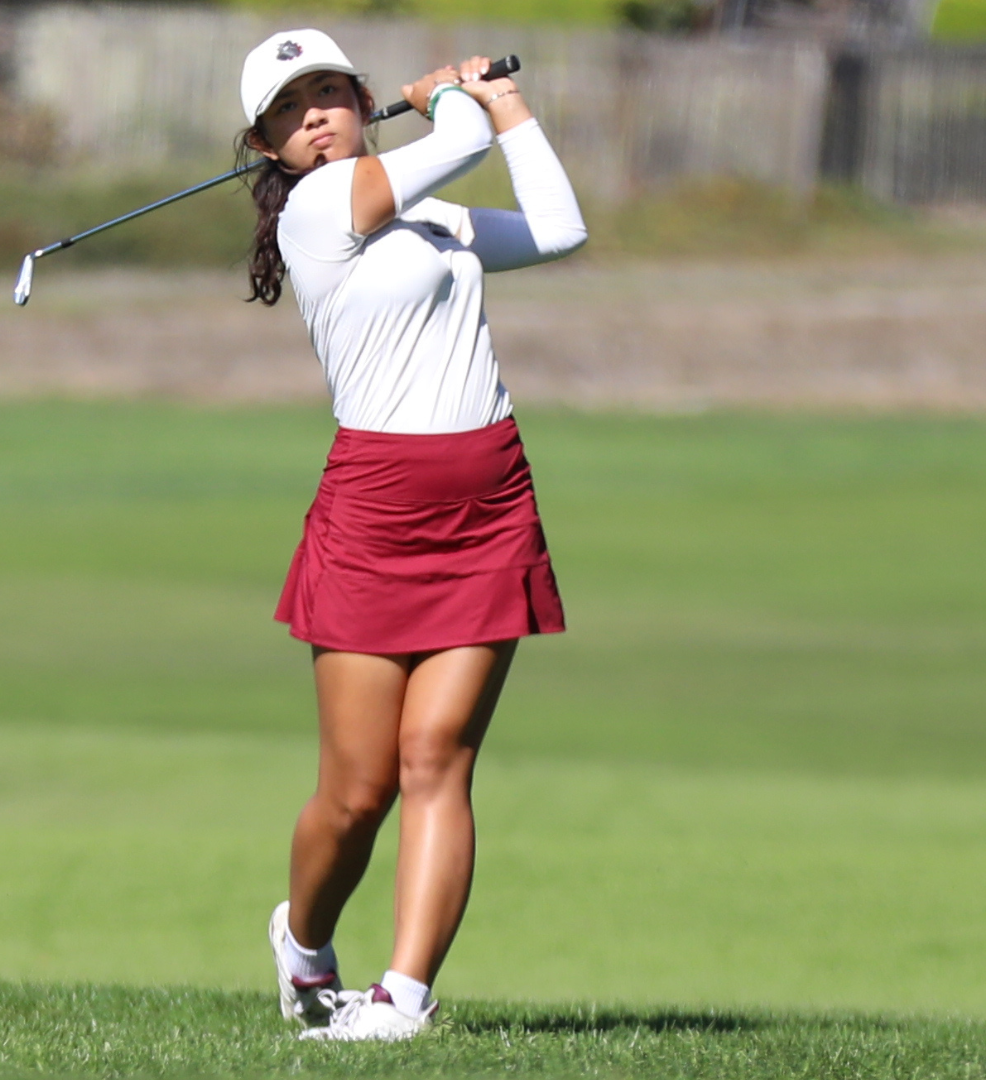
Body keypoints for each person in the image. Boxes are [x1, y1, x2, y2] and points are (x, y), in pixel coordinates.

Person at [237, 28, 587, 1043]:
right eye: (289, 108)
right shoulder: (317, 209)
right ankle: (303, 941)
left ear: (355, 98)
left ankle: (403, 1000)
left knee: (439, 756)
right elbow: (454, 143)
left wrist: (509, 110)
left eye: (330, 92)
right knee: (357, 791)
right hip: (375, 514)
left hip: (487, 504)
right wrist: (453, 100)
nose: (316, 114)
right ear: (267, 144)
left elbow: (558, 230)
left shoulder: (422, 210)